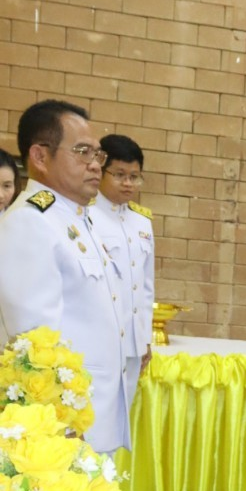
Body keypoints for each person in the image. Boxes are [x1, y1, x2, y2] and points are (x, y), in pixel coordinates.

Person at [0, 100, 130, 456]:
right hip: (65, 426)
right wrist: (63, 421)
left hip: (92, 412)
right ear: (40, 157)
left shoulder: (75, 219)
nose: (94, 164)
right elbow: (33, 341)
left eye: (98, 154)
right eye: (82, 151)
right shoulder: (31, 222)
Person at [93, 134, 155, 412]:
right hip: (98, 345)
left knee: (119, 422)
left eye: (135, 176)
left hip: (132, 345)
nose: (128, 183)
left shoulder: (142, 223)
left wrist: (144, 339)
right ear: (100, 170)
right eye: (119, 175)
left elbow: (145, 288)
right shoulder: (86, 217)